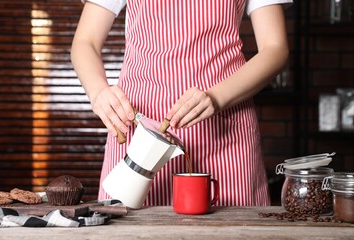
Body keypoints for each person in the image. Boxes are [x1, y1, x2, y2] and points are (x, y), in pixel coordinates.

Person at [71, 0, 292, 206]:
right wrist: (99, 92)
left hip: (225, 133)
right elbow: (85, 41)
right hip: (140, 131)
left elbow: (275, 48)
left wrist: (217, 97)